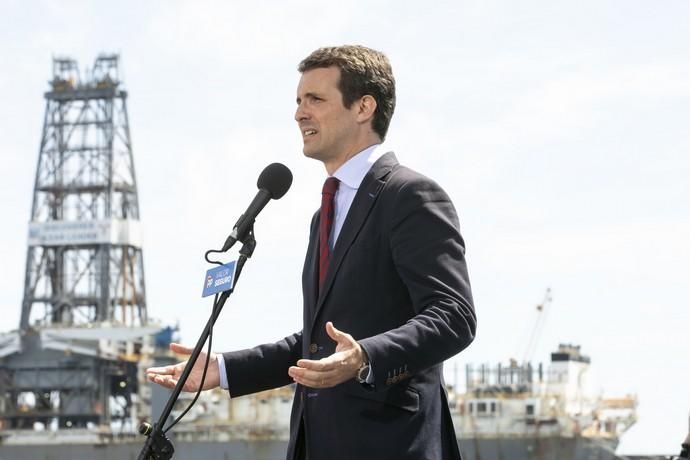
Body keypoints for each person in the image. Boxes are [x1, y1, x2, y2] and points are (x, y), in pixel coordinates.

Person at [147, 45, 476, 460]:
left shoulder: (411, 196)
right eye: (298, 101)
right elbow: (320, 343)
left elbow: (454, 316)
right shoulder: (324, 213)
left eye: (315, 99)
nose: (300, 113)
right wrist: (225, 369)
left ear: (363, 107)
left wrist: (365, 357)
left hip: (392, 445)